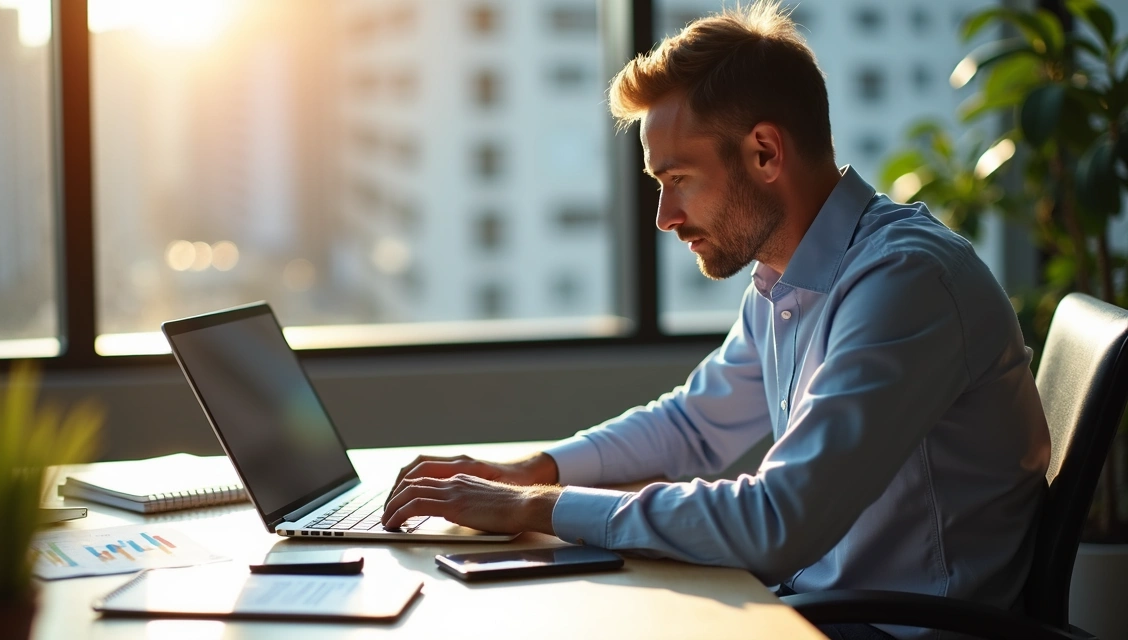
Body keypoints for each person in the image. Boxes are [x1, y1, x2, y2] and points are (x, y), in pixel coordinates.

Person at [382, 3, 1050, 638]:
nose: (664, 216)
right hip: (823, 604)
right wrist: (536, 469)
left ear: (764, 153)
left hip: (898, 630)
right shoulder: (786, 278)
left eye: (678, 178)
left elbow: (778, 521)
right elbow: (694, 426)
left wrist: (539, 509)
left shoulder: (905, 283)